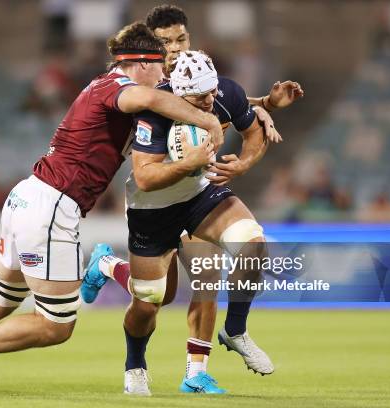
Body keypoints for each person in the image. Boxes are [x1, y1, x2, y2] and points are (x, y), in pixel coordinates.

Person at [0, 21, 225, 394]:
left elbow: (178, 102)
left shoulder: (105, 85)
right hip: (51, 207)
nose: (165, 75)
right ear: (142, 63)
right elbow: (147, 99)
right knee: (56, 325)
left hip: (29, 198)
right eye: (160, 66)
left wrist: (256, 107)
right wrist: (206, 119)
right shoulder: (119, 86)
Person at [80, 4, 303, 394]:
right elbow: (149, 167)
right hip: (154, 203)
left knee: (218, 267)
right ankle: (110, 270)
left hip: (200, 193)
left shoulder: (205, 80)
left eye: (181, 38)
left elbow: (213, 97)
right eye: (166, 43)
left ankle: (202, 366)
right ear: (151, 49)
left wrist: (261, 106)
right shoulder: (137, 91)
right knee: (153, 299)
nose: (176, 48)